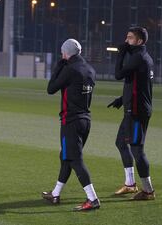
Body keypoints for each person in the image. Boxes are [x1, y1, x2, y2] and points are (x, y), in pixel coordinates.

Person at [42, 39, 100, 211]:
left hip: (71, 121)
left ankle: (93, 198)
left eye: (62, 53)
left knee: (74, 159)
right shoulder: (90, 69)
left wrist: (59, 66)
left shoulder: (70, 69)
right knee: (65, 157)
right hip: (85, 121)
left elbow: (51, 88)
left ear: (66, 53)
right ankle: (55, 193)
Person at [107, 26, 155, 200]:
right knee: (121, 142)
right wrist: (122, 99)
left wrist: (120, 53)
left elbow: (118, 74)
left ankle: (148, 191)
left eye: (130, 38)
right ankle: (130, 184)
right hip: (132, 109)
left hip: (137, 112)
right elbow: (138, 85)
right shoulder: (141, 57)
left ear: (140, 41)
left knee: (137, 150)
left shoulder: (139, 58)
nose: (126, 41)